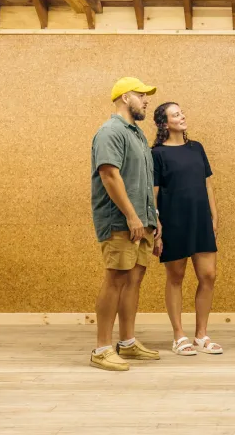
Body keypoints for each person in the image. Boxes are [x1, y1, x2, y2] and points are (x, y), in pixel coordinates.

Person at [89, 77, 162, 371]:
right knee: (116, 280)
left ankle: (127, 343)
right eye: (142, 95)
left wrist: (152, 220)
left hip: (141, 222)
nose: (146, 101)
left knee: (134, 281)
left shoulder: (138, 135)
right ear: (125, 96)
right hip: (120, 221)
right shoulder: (110, 131)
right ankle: (102, 349)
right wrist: (131, 216)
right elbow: (109, 175)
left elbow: (143, 182)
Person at [151, 102, 222, 356]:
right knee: (176, 277)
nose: (182, 116)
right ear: (164, 123)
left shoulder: (197, 148)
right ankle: (179, 336)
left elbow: (208, 185)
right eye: (175, 114)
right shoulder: (156, 153)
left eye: (181, 112)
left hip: (200, 220)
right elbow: (154, 192)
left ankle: (202, 335)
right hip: (173, 222)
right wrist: (157, 224)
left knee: (208, 275)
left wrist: (214, 216)